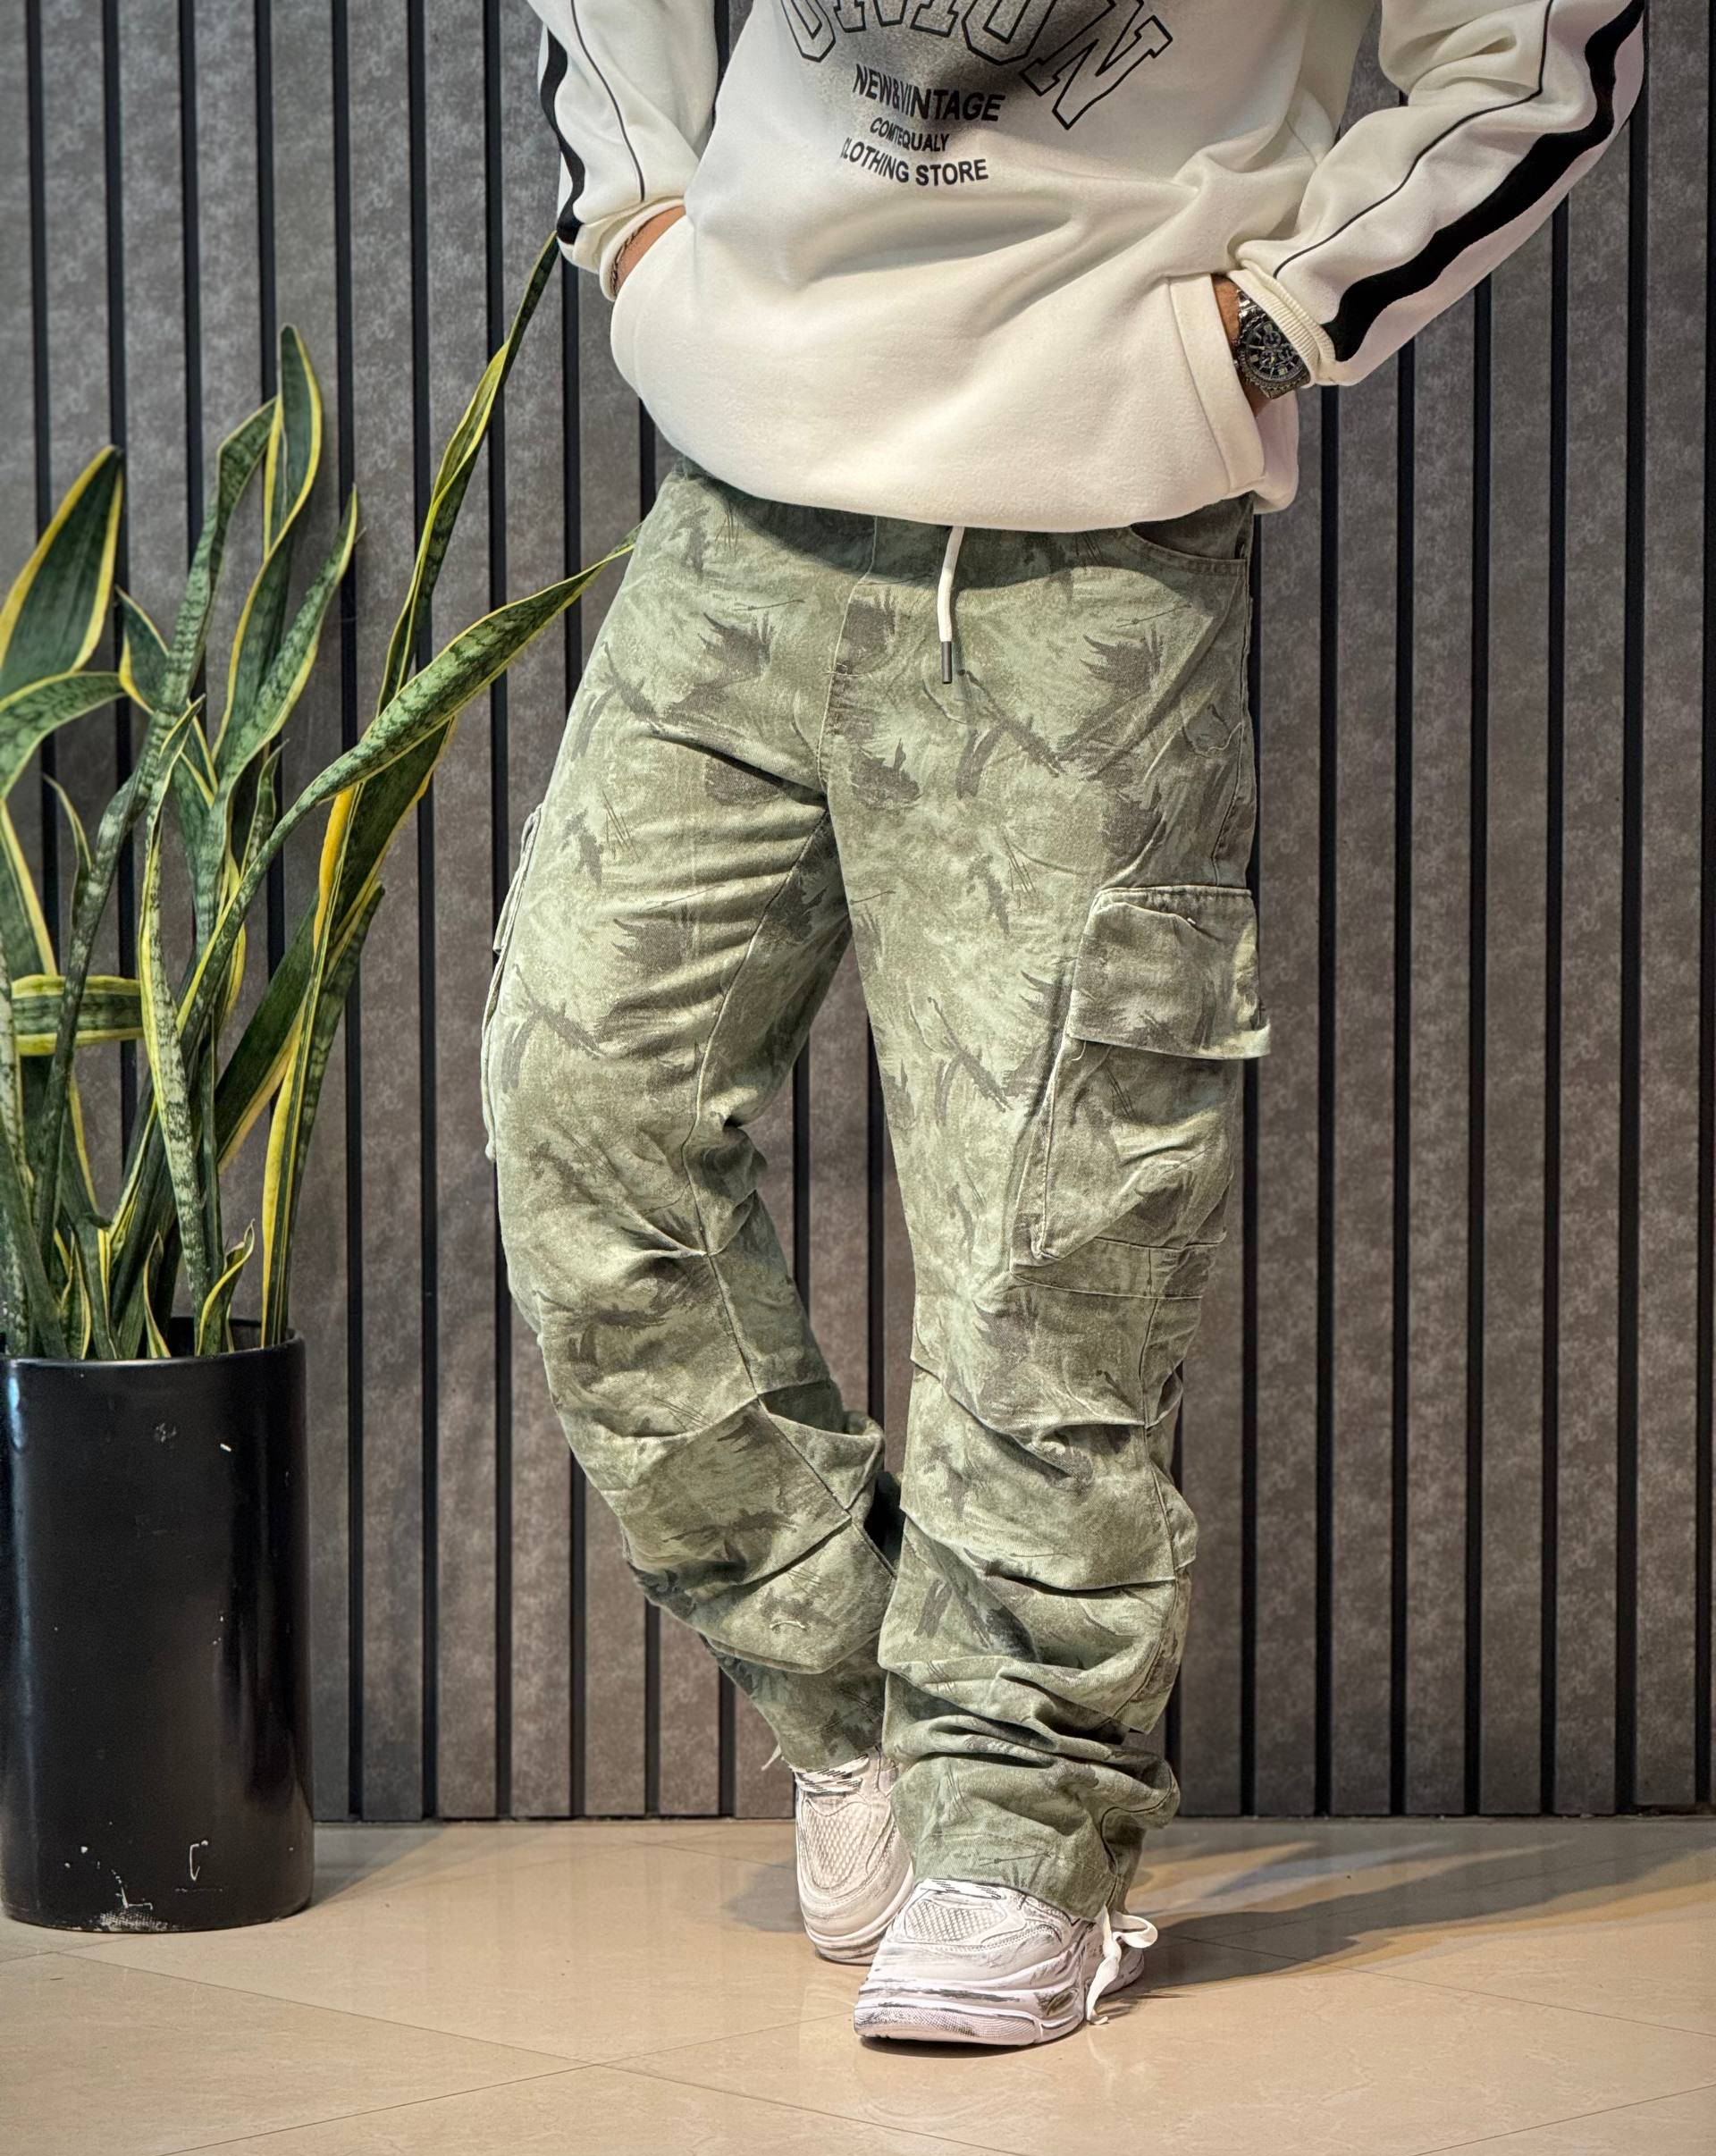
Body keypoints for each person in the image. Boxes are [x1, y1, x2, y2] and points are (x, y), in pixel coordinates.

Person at [492, 0, 1644, 2048]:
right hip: (737, 498)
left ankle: (1021, 1832)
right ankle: (865, 1717)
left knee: (1057, 1226)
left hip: (1089, 535)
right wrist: (649, 224)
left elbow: (1539, 47)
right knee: (579, 1108)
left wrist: (1261, 328)